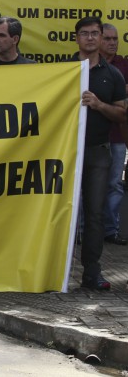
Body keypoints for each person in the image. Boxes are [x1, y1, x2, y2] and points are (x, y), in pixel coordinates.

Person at [72, 16, 127, 290]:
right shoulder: (64, 70)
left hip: (97, 151)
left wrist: (98, 104)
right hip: (66, 152)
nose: (91, 38)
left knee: (94, 214)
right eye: (85, 33)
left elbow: (120, 113)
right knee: (60, 211)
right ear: (77, 38)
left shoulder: (112, 74)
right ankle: (53, 272)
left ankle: (91, 273)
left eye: (95, 33)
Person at [98, 23, 128, 245]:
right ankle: (80, 231)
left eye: (115, 39)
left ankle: (111, 230)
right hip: (92, 135)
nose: (113, 42)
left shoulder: (124, 65)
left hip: (118, 135)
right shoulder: (83, 65)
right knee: (83, 185)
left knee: (115, 184)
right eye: (108, 38)